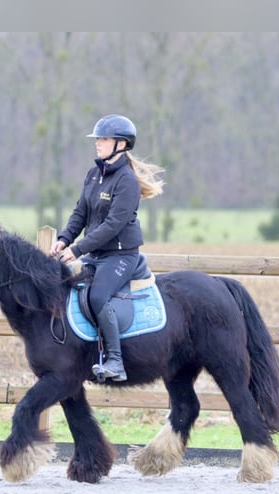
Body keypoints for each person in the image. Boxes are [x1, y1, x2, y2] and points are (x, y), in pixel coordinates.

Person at [50, 114, 165, 381]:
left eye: (103, 139)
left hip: (121, 255)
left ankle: (116, 361)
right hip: (97, 253)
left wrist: (77, 250)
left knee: (98, 295)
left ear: (121, 144)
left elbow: (113, 224)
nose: (98, 144)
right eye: (98, 139)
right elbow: (80, 212)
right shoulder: (94, 175)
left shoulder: (127, 181)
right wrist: (65, 239)